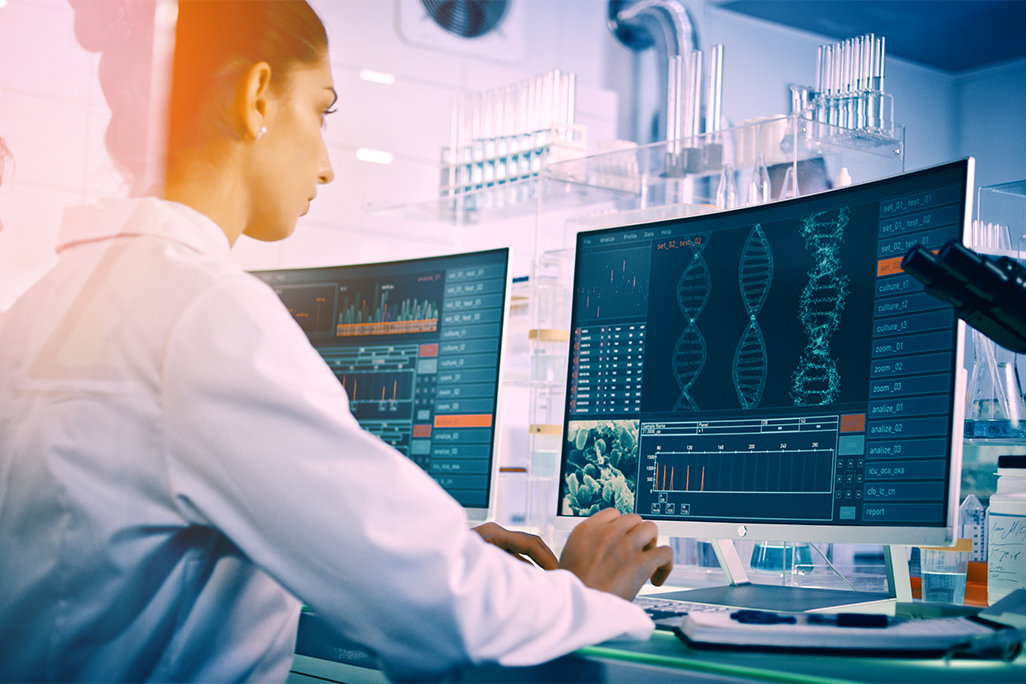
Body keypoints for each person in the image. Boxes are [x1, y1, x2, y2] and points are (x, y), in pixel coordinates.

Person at [0, 2, 673, 682]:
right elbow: (456, 621)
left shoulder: (41, 305)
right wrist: (582, 592)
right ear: (256, 95)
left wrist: (410, 554)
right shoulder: (203, 315)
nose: (326, 168)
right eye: (322, 112)